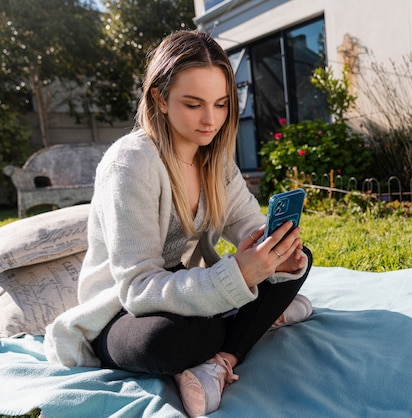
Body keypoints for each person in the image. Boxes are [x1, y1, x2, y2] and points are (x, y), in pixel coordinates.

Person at [43, 30, 313, 417]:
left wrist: (277, 256)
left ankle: (220, 360)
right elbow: (136, 288)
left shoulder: (216, 162)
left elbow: (248, 225)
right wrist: (238, 276)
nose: (210, 119)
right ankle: (249, 322)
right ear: (160, 98)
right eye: (193, 104)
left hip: (192, 290)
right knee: (163, 341)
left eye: (221, 104)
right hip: (125, 311)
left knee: (301, 258)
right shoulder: (131, 163)